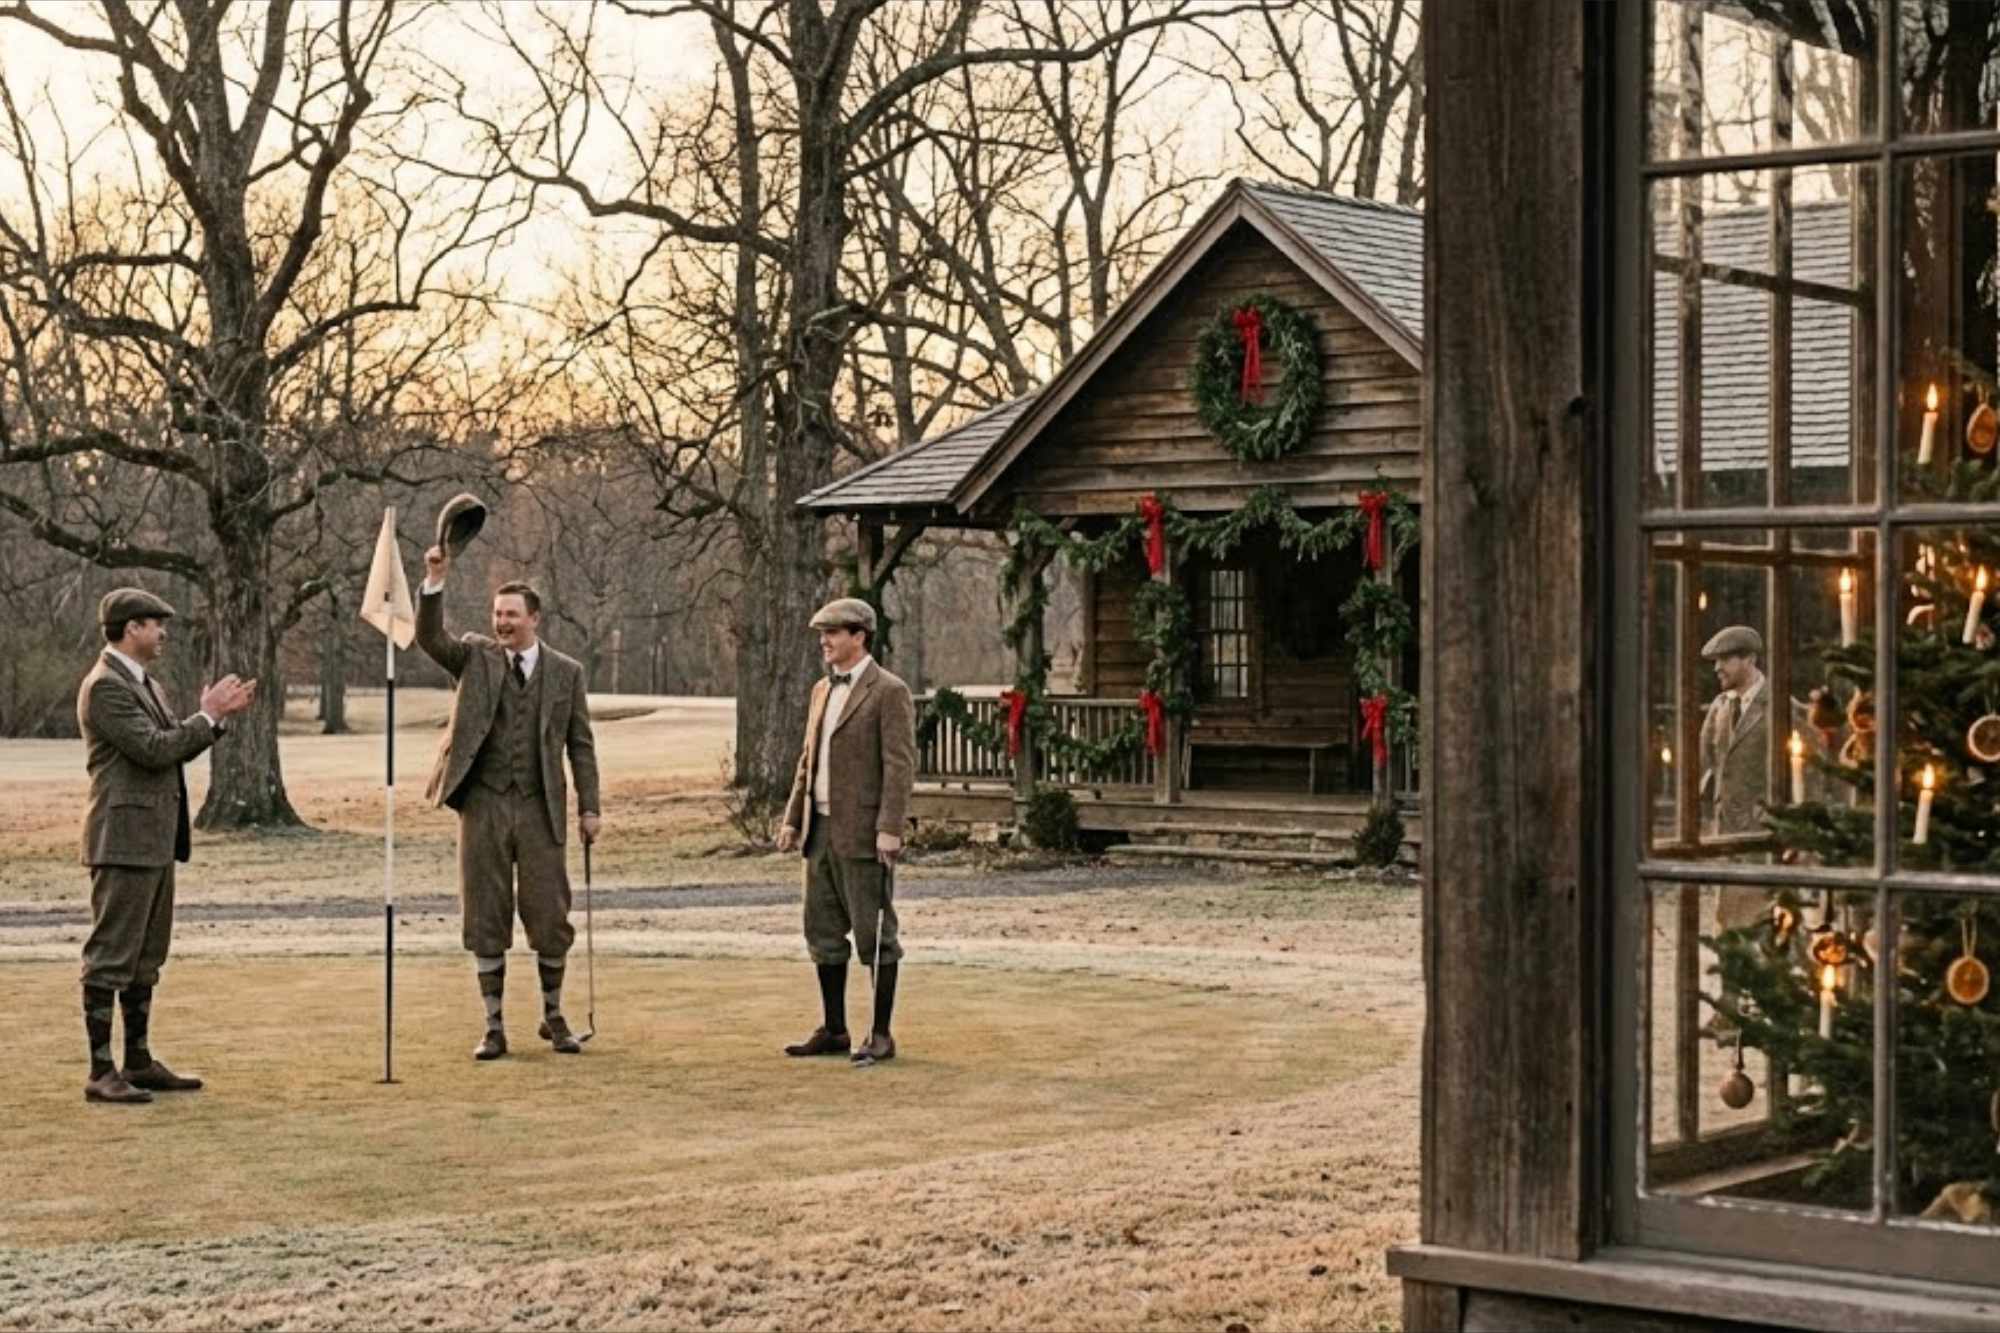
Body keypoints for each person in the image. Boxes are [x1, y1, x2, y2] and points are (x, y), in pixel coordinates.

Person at [417, 545, 602, 1060]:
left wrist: (590, 807)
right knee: (485, 914)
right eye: (497, 614)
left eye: (511, 615)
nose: (502, 623)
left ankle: (555, 1016)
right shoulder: (475, 657)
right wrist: (435, 581)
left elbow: (581, 745)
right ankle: (493, 1026)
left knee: (549, 914)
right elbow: (430, 638)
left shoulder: (567, 673)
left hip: (542, 806)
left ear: (534, 619)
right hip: (483, 804)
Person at [77, 588, 256, 1104]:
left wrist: (213, 721)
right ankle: (100, 1070)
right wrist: (207, 715)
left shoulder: (144, 683)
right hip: (122, 840)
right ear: (131, 628)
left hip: (152, 841)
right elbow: (155, 750)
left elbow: (171, 743)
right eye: (156, 624)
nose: (163, 633)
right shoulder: (105, 687)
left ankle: (137, 1060)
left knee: (145, 956)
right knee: (111, 955)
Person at [776, 598, 916, 1065]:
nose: (825, 641)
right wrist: (794, 818)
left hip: (864, 834)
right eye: (823, 633)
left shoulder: (888, 691)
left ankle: (880, 1034)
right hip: (820, 832)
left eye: (833, 633)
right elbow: (807, 760)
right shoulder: (821, 690)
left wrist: (890, 829)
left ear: (859, 636)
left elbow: (899, 767)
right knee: (822, 932)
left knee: (874, 935)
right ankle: (834, 1029)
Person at [1699, 624, 1770, 932]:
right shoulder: (1720, 707)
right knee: (1726, 921)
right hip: (1725, 832)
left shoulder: (1779, 706)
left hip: (1761, 834)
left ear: (1749, 659)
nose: (1717, 668)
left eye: (1725, 659)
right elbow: (1706, 762)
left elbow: (1805, 771)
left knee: (1759, 922)